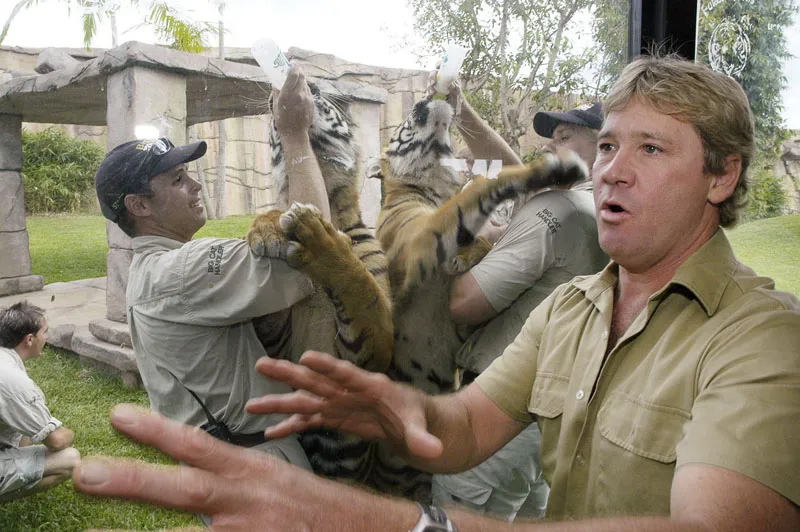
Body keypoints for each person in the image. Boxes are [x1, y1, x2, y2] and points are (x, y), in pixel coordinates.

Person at [75, 55, 800, 531]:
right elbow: (467, 426)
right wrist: (395, 407)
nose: (610, 170)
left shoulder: (765, 339)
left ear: (722, 176)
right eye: (608, 145)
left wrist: (407, 522)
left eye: (651, 148)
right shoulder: (573, 310)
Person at [92, 65, 329, 470]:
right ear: (139, 205)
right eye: (177, 180)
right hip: (258, 467)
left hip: (223, 464)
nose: (196, 185)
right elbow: (317, 250)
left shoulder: (148, 273)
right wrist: (294, 134)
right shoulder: (184, 271)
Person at [434, 95, 608, 520]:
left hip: (498, 412)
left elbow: (463, 303)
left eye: (564, 137)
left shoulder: (557, 209)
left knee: (453, 512)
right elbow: (519, 175)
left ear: (605, 148)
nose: (548, 145)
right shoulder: (600, 212)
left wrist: (448, 245)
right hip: (548, 421)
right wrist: (461, 109)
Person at [0, 301, 80, 501]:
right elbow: (57, 441)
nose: (46, 337)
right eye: (45, 332)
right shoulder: (12, 379)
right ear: (29, 339)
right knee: (70, 459)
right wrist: (68, 433)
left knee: (25, 427)